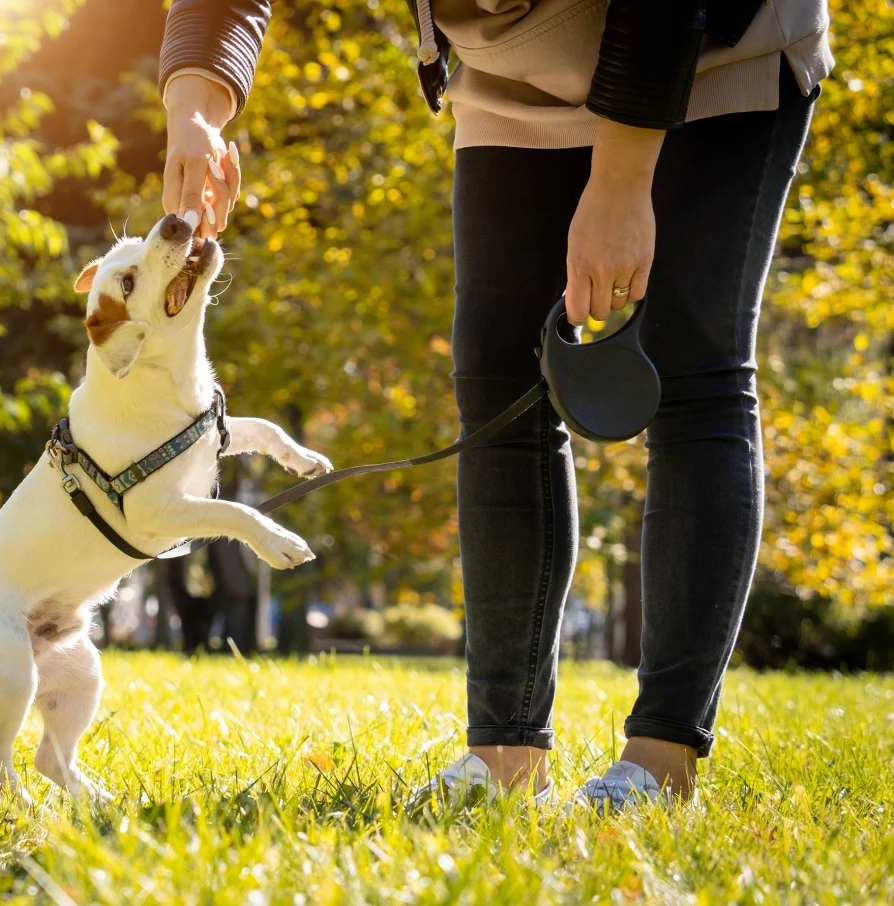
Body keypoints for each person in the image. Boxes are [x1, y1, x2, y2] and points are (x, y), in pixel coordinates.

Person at [157, 0, 832, 809]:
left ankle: (661, 761)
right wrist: (194, 108)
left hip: (706, 51)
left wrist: (622, 180)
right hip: (516, 73)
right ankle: (506, 754)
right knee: (498, 384)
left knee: (691, 370)